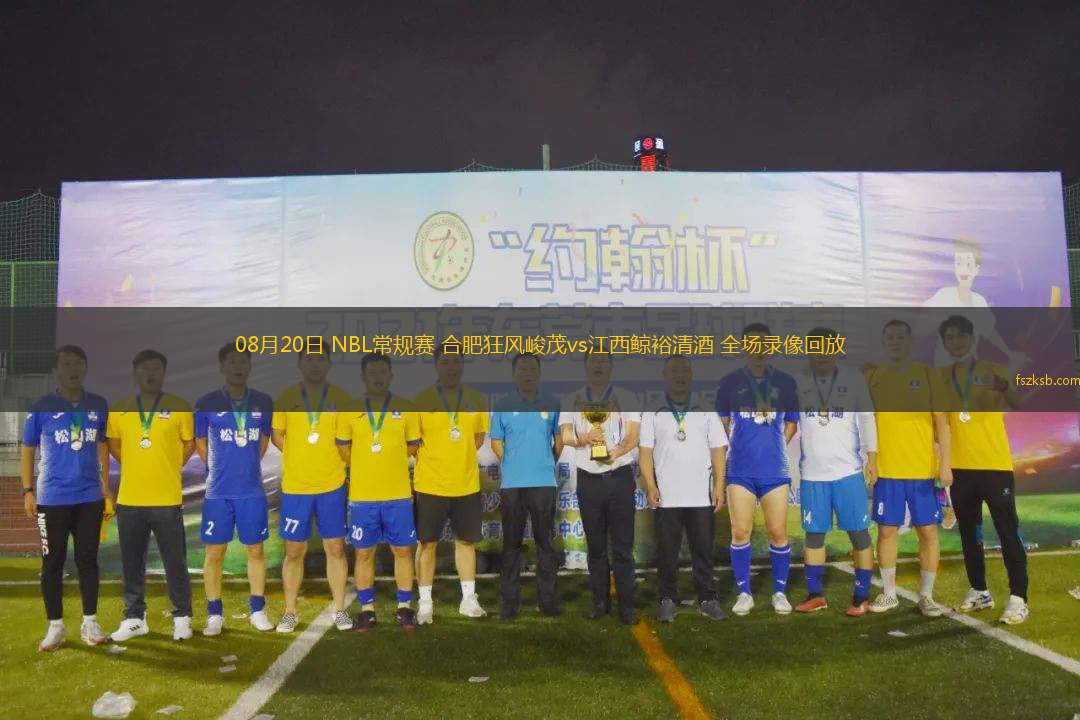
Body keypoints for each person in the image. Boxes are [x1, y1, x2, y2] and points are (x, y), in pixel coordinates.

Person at [936, 315, 1029, 624]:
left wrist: (1004, 387)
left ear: (972, 338)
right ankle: (979, 591)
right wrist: (945, 464)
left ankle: (1019, 598)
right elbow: (943, 424)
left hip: (994, 465)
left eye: (960, 336)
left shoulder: (995, 370)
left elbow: (1018, 403)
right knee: (969, 533)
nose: (955, 342)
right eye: (949, 337)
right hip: (961, 469)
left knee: (1007, 531)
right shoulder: (942, 377)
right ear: (944, 343)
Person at [21, 345, 112, 651]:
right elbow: (28, 449)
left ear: (86, 368)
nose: (73, 369)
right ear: (55, 371)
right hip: (52, 498)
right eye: (67, 363)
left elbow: (102, 444)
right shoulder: (41, 407)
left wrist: (105, 487)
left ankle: (90, 621)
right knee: (53, 563)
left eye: (79, 363)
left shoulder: (98, 404)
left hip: (89, 498)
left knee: (88, 561)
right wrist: (27, 490)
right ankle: (55, 626)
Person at [106, 349, 196, 642]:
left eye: (156, 368)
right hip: (130, 500)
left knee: (175, 562)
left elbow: (189, 444)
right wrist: (135, 464)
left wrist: (169, 465)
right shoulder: (119, 409)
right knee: (132, 563)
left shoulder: (179, 407)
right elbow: (114, 445)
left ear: (164, 373)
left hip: (166, 500)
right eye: (145, 368)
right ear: (135, 372)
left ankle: (182, 617)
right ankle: (134, 618)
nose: (150, 373)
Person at [866, 320, 950, 617]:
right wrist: (870, 461)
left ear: (910, 341)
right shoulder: (874, 377)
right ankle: (889, 593)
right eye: (890, 337)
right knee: (886, 531)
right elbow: (867, 423)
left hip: (922, 471)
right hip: (887, 470)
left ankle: (926, 596)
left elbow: (942, 422)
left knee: (928, 532)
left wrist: (945, 464)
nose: (895, 341)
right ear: (883, 342)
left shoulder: (927, 375)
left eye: (901, 337)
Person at [715, 323, 799, 616]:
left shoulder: (786, 382)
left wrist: (772, 446)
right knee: (741, 531)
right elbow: (722, 424)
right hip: (740, 468)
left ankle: (779, 592)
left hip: (774, 469)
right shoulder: (730, 382)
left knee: (778, 531)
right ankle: (744, 593)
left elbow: (792, 423)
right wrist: (743, 445)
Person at [792, 329, 877, 617]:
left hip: (847, 472)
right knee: (814, 536)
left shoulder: (853, 379)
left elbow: (867, 418)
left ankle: (861, 597)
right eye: (815, 348)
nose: (821, 354)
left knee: (859, 535)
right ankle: (816, 595)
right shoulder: (799, 382)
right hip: (812, 475)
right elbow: (789, 421)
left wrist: (872, 458)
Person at [639, 354, 728, 623]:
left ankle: (707, 599)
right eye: (674, 371)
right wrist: (650, 485)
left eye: (684, 371)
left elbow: (718, 449)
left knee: (703, 551)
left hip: (700, 495)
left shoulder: (705, 408)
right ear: (665, 376)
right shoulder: (653, 410)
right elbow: (645, 453)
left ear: (691, 375)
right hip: (666, 497)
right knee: (667, 553)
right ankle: (667, 599)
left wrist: (719, 485)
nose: (679, 375)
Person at [336, 352, 421, 630]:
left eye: (382, 372)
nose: (377, 377)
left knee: (402, 551)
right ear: (363, 376)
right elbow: (343, 448)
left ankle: (404, 607)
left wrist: (389, 461)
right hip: (363, 497)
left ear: (391, 375)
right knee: (363, 553)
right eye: (372, 372)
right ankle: (367, 609)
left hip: (398, 495)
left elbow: (412, 445)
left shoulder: (406, 408)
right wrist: (365, 465)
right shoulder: (349, 409)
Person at [271, 347, 353, 633]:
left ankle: (339, 609)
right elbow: (277, 435)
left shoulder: (342, 398)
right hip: (296, 488)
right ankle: (290, 612)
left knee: (335, 548)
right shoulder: (286, 397)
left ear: (328, 364)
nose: (315, 364)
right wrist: (299, 458)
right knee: (294, 550)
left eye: (320, 359)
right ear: (300, 364)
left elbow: (347, 439)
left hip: (332, 485)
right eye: (309, 359)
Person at [194, 343, 274, 635]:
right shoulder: (207, 402)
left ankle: (258, 610)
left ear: (249, 367)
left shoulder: (263, 401)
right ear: (222, 367)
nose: (238, 367)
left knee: (256, 550)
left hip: (251, 491)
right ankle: (215, 614)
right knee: (215, 552)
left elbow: (263, 440)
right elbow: (200, 441)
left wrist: (247, 465)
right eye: (232, 362)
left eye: (243, 362)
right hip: (218, 492)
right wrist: (218, 467)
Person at [559, 350, 641, 625]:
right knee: (595, 547)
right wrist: (582, 438)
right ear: (585, 367)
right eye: (593, 362)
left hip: (619, 478)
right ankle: (599, 602)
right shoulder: (572, 398)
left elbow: (633, 435)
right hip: (588, 481)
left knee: (623, 548)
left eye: (603, 362)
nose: (598, 366)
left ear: (611, 367)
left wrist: (615, 453)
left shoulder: (626, 397)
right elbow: (565, 434)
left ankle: (627, 606)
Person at [412, 344, 490, 624]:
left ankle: (468, 599)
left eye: (456, 362)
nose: (451, 367)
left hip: (466, 484)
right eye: (445, 362)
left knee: (466, 542)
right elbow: (413, 442)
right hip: (430, 485)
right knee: (427, 543)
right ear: (436, 366)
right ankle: (425, 603)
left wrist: (458, 457)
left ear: (462, 365)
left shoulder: (475, 399)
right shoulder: (421, 399)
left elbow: (478, 438)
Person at [489, 352, 563, 620]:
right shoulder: (503, 404)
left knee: (545, 544)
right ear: (514, 374)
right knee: (511, 545)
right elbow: (496, 442)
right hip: (513, 485)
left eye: (532, 369)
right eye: (522, 369)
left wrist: (544, 463)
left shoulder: (552, 403)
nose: (528, 374)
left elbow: (558, 441)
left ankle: (547, 601)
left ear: (539, 373)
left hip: (543, 483)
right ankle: (510, 603)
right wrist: (512, 463)